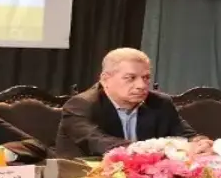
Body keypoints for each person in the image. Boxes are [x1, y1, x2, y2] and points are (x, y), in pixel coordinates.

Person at [55, 48, 211, 158]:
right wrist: (151, 149)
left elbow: (186, 135)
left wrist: (200, 143)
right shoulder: (81, 105)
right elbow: (98, 142)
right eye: (130, 78)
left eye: (146, 78)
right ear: (105, 79)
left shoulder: (160, 103)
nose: (141, 85)